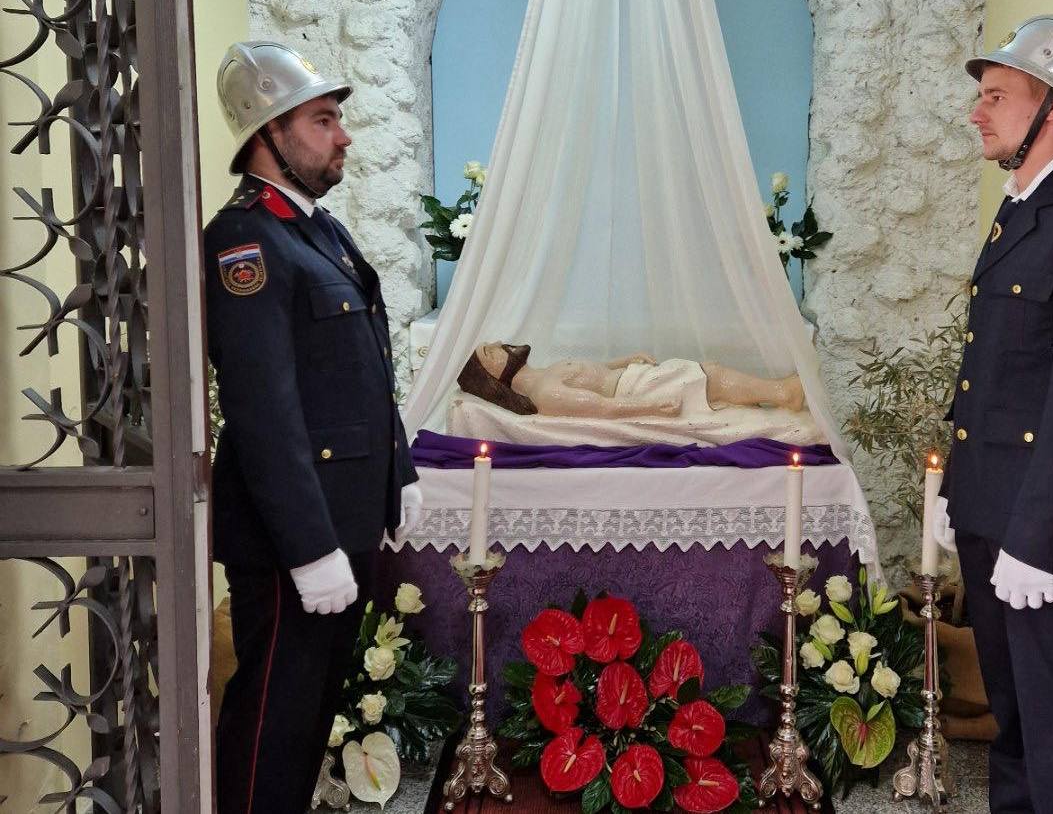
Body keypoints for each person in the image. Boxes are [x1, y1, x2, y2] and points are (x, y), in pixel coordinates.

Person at [206, 41, 428, 814]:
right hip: (290, 545)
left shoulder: (318, 230)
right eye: (323, 120)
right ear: (268, 134)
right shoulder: (245, 242)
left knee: (305, 727)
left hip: (342, 525)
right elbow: (263, 412)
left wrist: (398, 472)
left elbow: (360, 367)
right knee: (272, 730)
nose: (344, 136)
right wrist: (309, 549)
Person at [933, 14, 1053, 814]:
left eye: (996, 95)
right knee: (1012, 728)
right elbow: (996, 366)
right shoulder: (1022, 206)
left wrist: (1036, 539)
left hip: (1038, 532)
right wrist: (956, 490)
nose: (977, 112)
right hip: (989, 510)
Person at [457, 341, 806, 418]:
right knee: (709, 377)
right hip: (636, 390)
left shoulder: (545, 374)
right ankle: (783, 393)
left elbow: (593, 374)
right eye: (489, 352)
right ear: (493, 374)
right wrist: (649, 407)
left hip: (632, 377)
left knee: (708, 371)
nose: (498, 344)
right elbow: (601, 406)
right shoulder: (545, 392)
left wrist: (622, 361)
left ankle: (777, 393)